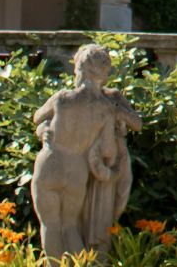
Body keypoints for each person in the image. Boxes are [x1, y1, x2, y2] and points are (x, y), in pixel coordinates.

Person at [32, 44, 142, 258]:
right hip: (77, 170)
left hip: (51, 161)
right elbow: (108, 151)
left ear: (79, 69)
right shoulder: (106, 109)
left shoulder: (62, 98)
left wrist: (44, 129)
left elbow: (38, 117)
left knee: (50, 225)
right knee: (70, 226)